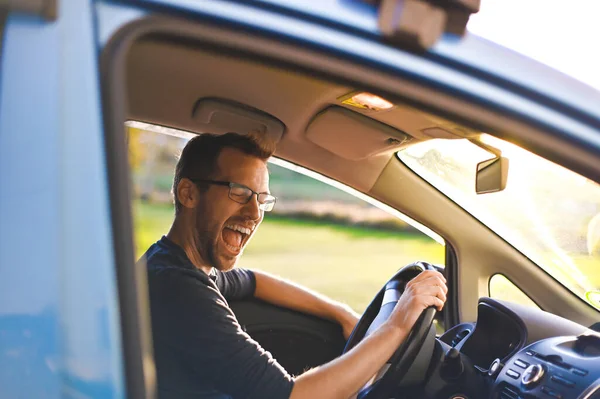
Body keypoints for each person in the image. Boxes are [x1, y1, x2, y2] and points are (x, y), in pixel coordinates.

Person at [140, 131, 447, 399]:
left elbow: (253, 281)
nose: (254, 213)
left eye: (261, 199)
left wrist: (341, 314)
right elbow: (292, 396)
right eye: (240, 193)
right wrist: (397, 325)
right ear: (189, 193)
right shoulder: (178, 289)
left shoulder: (175, 265)